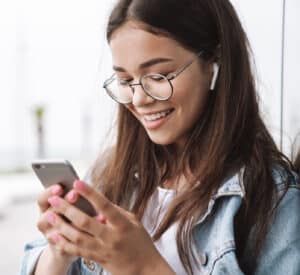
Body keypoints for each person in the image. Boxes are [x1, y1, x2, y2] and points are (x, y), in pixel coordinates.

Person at [20, 0, 300, 274]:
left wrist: (143, 267)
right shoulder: (110, 174)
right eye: (126, 81)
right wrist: (59, 252)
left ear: (214, 62)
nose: (139, 99)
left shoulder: (274, 200)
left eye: (158, 76)